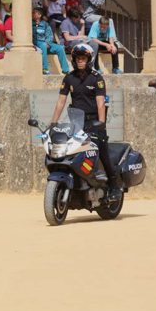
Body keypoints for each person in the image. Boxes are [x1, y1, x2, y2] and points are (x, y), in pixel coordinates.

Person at [50, 43, 122, 201]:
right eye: (77, 58)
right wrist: (53, 124)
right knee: (70, 151)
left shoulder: (97, 78)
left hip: (94, 122)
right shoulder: (69, 78)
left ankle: (114, 186)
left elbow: (100, 103)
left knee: (102, 151)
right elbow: (61, 102)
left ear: (89, 59)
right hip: (76, 122)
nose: (80, 61)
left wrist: (101, 123)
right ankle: (78, 182)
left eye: (83, 58)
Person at [33, 7, 70, 75]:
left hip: (46, 43)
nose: (32, 14)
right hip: (36, 43)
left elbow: (50, 35)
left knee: (60, 48)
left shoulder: (45, 24)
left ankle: (66, 70)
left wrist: (48, 43)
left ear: (39, 15)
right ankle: (45, 69)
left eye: (34, 13)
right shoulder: (30, 24)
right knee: (43, 45)